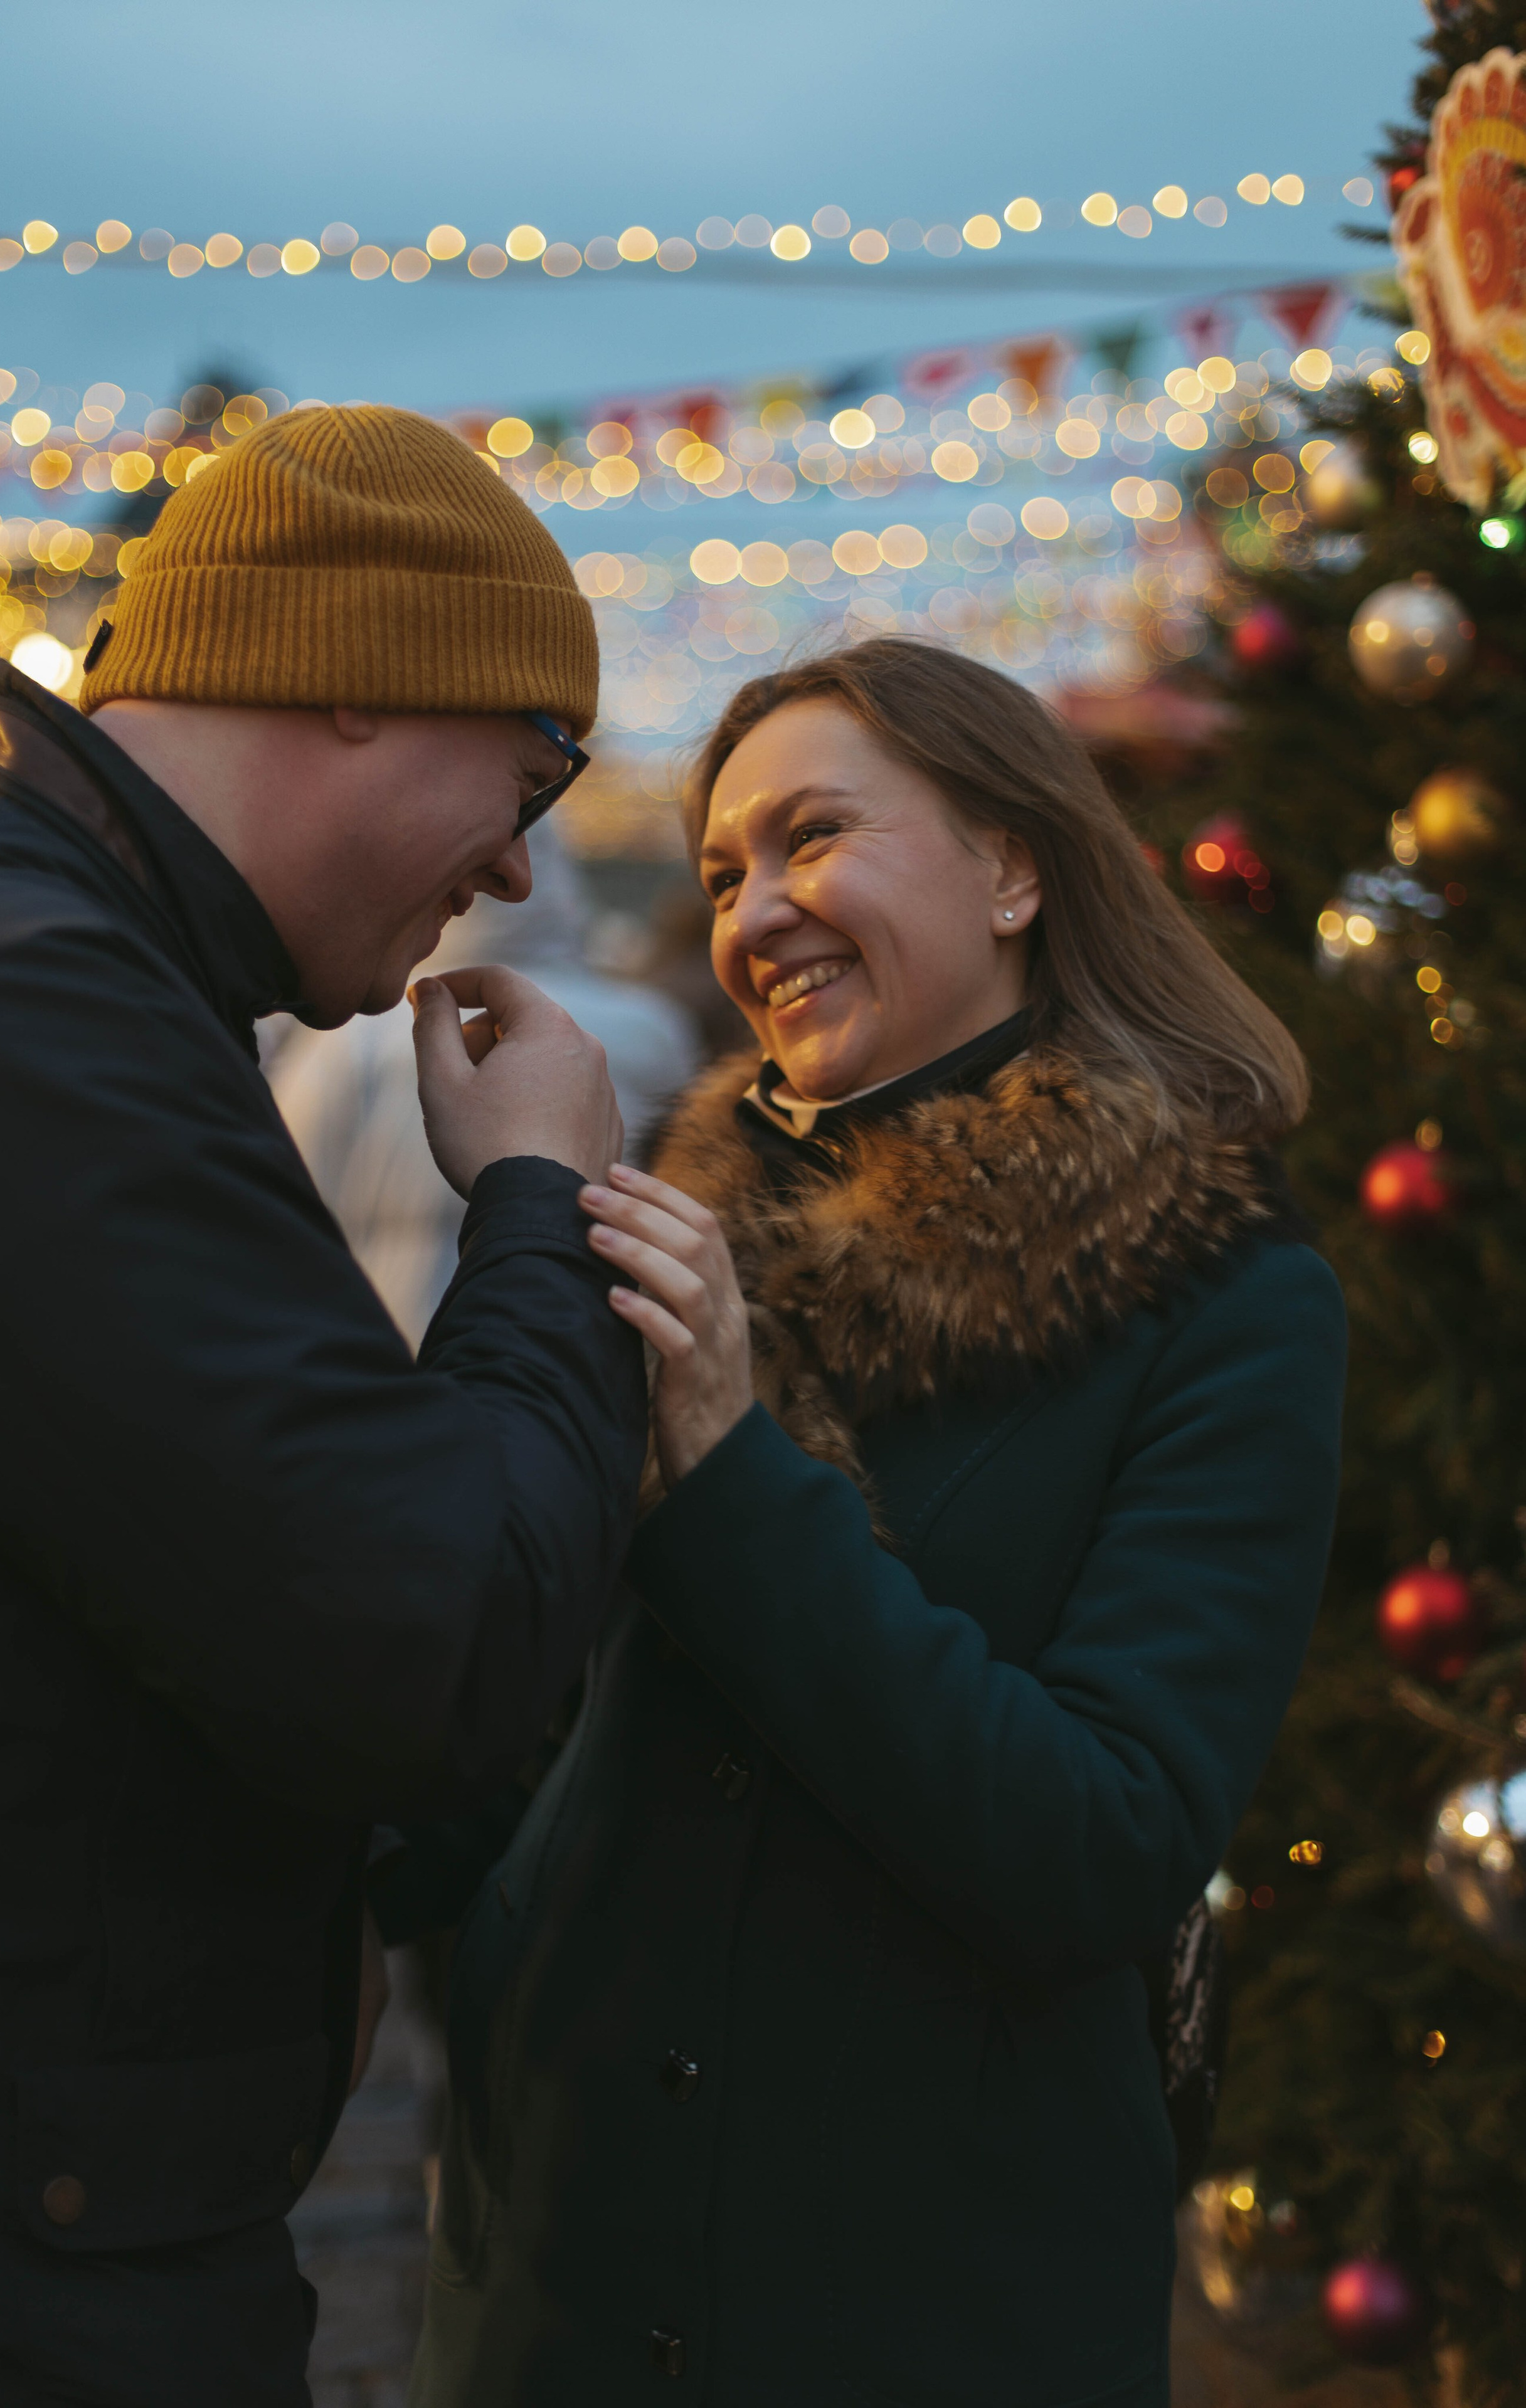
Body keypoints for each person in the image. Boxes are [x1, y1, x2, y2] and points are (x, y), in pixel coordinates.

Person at [393, 639, 1348, 2406]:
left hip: (926, 2303)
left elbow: (1101, 1846)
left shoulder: (1224, 1299)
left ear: (1015, 866)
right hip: (558, 2279)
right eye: (723, 876)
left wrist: (726, 1457)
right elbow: (507, 1726)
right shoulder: (668, 1241)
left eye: (813, 837)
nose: (758, 914)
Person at [0, 404, 647, 2407]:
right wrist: (541, 1195)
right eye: (527, 770)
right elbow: (429, 1630)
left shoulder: (54, 949)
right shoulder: (15, 994)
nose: (517, 859)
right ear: (355, 673)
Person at [269, 820, 700, 1345]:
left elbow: (285, 1203)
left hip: (384, 1349)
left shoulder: (347, 1036)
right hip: (576, 1343)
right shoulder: (649, 1026)